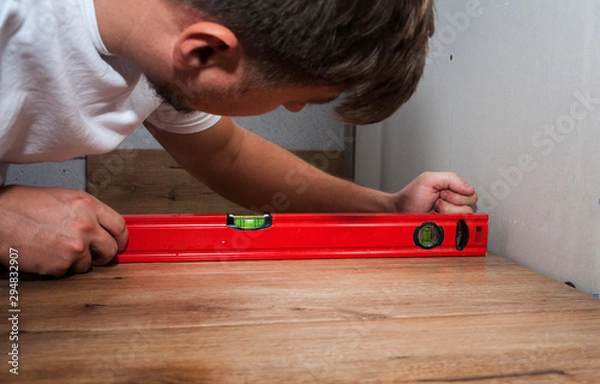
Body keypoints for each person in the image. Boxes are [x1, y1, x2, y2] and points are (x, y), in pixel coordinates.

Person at [0, 0, 477, 276]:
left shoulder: (161, 48)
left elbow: (225, 155)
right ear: (206, 51)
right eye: (300, 98)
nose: (292, 109)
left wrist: (386, 211)